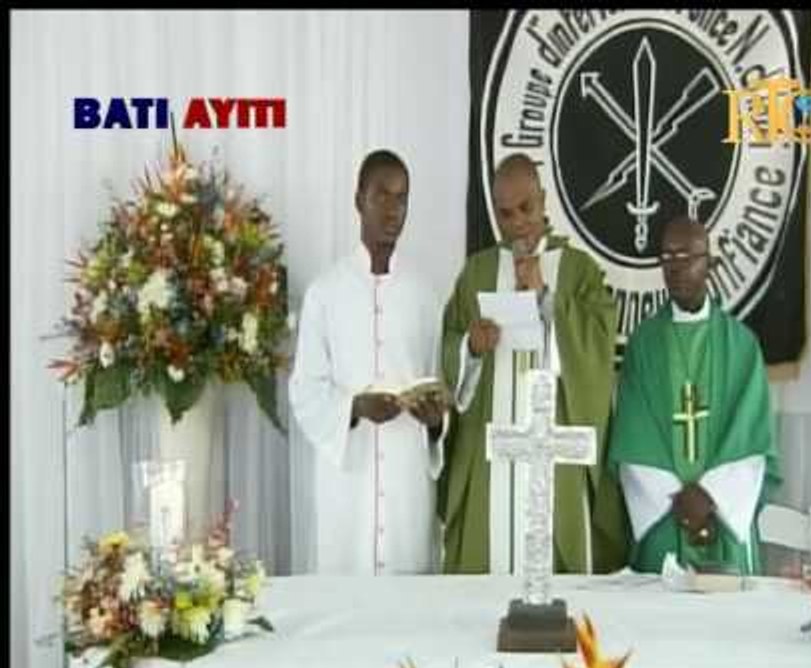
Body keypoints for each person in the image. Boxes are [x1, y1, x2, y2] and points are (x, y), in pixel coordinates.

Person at [439, 152, 624, 575]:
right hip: (493, 457)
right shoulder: (477, 272)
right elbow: (447, 349)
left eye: (527, 208)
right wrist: (470, 345)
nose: (517, 222)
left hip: (555, 456)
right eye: (505, 214)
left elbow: (598, 351)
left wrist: (546, 298)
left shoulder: (578, 270)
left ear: (543, 200)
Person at [289, 149, 446, 575]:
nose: (393, 210)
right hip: (348, 481)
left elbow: (440, 385)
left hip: (406, 477)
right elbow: (305, 391)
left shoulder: (424, 295)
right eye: (382, 196)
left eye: (402, 198)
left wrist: (435, 423)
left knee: (408, 601)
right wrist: (355, 407)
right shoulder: (325, 293)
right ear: (359, 200)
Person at [607, 216, 781, 575]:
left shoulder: (742, 344)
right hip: (664, 515)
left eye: (687, 257)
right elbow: (633, 431)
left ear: (710, 262)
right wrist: (677, 498)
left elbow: (751, 434)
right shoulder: (644, 344)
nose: (676, 269)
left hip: (724, 515)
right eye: (667, 259)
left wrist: (710, 496)